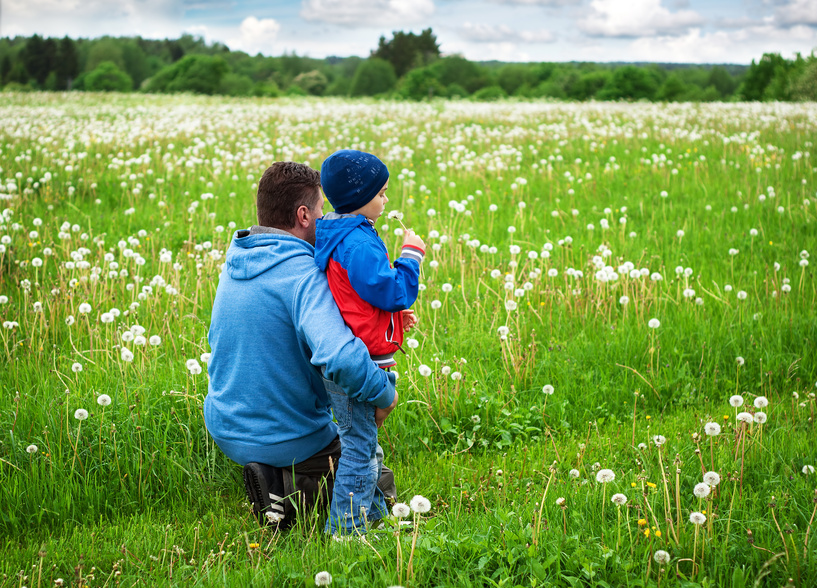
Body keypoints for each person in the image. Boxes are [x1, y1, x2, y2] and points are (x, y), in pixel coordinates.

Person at [203, 161, 399, 529]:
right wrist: (383, 394)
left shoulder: (236, 261)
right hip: (286, 434)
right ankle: (287, 490)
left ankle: (275, 475)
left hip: (225, 425)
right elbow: (340, 357)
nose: (326, 218)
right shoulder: (303, 274)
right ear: (303, 214)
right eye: (322, 209)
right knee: (375, 474)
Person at [314, 150, 426, 535]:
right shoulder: (357, 243)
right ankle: (345, 532)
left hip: (362, 352)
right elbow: (391, 290)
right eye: (381, 193)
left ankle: (374, 515)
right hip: (365, 363)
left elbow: (358, 298)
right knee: (360, 450)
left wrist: (393, 319)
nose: (386, 200)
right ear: (361, 196)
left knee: (364, 443)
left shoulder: (345, 234)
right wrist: (411, 256)